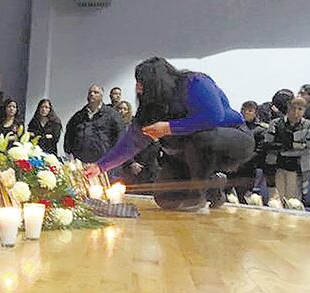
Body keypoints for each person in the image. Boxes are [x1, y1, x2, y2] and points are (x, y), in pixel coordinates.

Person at [85, 57, 252, 211]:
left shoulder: (194, 82)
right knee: (165, 198)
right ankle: (212, 186)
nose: (138, 87)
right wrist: (100, 166)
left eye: (141, 82)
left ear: (155, 82)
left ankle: (198, 195)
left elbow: (214, 116)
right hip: (187, 155)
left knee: (201, 138)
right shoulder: (151, 109)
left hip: (231, 140)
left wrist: (169, 128)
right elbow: (131, 143)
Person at [268, 96, 310, 202]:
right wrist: (294, 146)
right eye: (293, 108)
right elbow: (269, 144)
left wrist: (285, 148)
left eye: (300, 109)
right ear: (288, 108)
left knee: (293, 203)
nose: (296, 112)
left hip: (298, 169)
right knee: (277, 202)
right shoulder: (276, 123)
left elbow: (307, 147)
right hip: (277, 168)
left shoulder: (309, 125)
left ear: (304, 111)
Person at [64, 84, 124, 164]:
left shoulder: (112, 115)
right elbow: (69, 135)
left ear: (101, 96)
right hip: (80, 163)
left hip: (102, 164)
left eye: (96, 92)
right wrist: (70, 154)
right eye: (90, 92)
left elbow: (120, 137)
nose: (92, 94)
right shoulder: (78, 116)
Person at [116, 100, 160, 187]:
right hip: (128, 167)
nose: (122, 111)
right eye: (120, 109)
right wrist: (132, 163)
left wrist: (141, 164)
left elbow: (155, 145)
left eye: (125, 109)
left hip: (147, 167)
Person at [230, 101, 269, 200]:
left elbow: (260, 151)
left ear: (255, 113)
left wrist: (245, 161)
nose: (246, 112)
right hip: (231, 168)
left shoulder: (260, 130)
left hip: (248, 169)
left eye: (250, 110)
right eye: (244, 109)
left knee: (244, 198)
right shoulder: (233, 126)